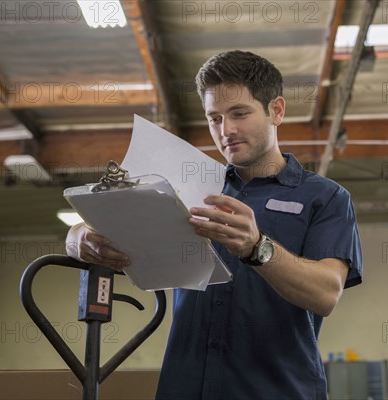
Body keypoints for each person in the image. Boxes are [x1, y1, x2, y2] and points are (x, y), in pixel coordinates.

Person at [65, 50, 363, 399]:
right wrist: (78, 238)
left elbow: (326, 293)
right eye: (214, 118)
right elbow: (106, 233)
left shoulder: (325, 198)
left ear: (276, 110)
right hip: (186, 389)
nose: (227, 130)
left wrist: (257, 248)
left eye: (240, 113)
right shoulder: (187, 186)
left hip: (278, 391)